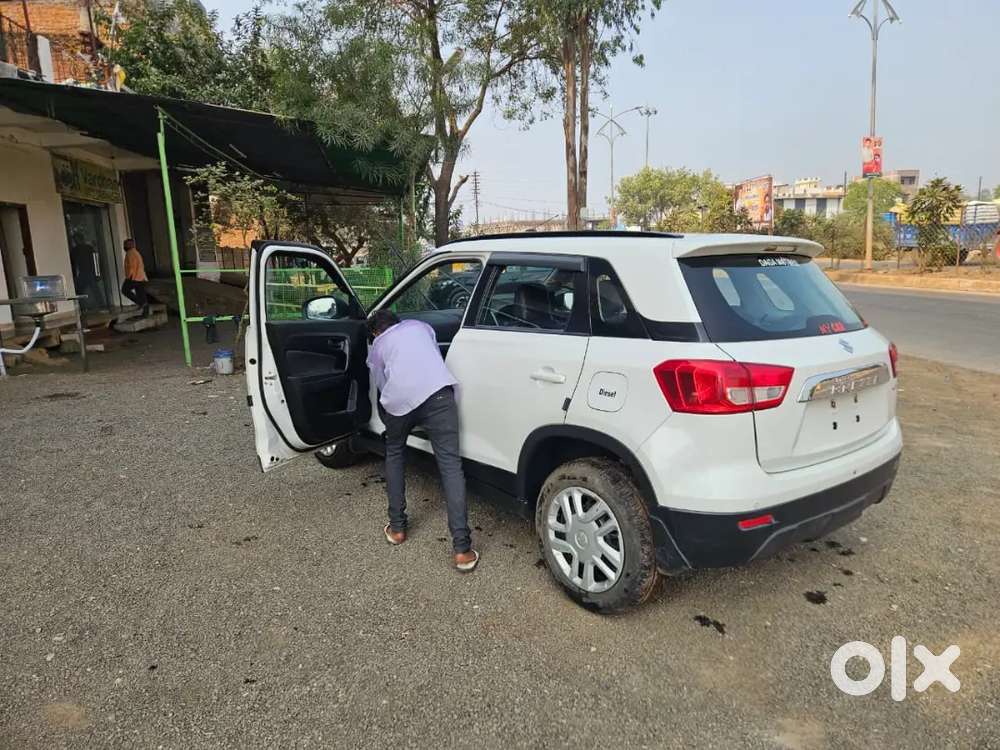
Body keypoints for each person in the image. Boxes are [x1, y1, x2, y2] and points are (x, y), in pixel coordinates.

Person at [366, 309, 478, 572]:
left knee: (394, 453)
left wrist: (390, 412)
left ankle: (397, 529)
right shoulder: (420, 326)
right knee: (451, 467)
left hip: (401, 402)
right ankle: (462, 550)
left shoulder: (378, 345)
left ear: (375, 332)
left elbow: (382, 383)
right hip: (440, 396)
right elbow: (434, 358)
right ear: (398, 322)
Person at [121, 239, 149, 316]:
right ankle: (146, 312)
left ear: (129, 245)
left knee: (125, 290)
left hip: (134, 277)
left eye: (125, 244)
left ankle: (141, 303)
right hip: (141, 277)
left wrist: (129, 277)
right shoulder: (136, 252)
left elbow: (131, 267)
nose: (124, 246)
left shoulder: (130, 253)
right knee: (141, 293)